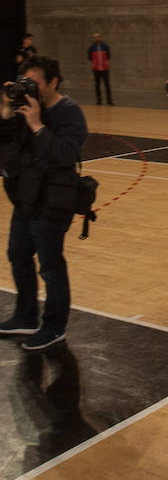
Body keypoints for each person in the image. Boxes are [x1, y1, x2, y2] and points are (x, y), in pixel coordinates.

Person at [0, 56, 87, 350]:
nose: (29, 89)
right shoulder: (22, 108)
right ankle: (25, 316)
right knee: (18, 255)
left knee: (50, 266)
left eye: (34, 84)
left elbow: (64, 154)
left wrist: (37, 125)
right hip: (25, 197)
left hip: (53, 200)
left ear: (53, 82)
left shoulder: (69, 112)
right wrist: (6, 115)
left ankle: (54, 326)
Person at [87, 32, 113, 106]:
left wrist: (105, 62)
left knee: (107, 85)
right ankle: (99, 101)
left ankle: (109, 101)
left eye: (97, 37)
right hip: (96, 69)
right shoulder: (91, 48)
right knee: (97, 85)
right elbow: (89, 57)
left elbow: (108, 55)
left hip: (105, 69)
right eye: (95, 37)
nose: (96, 38)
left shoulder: (105, 46)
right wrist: (95, 63)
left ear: (100, 37)